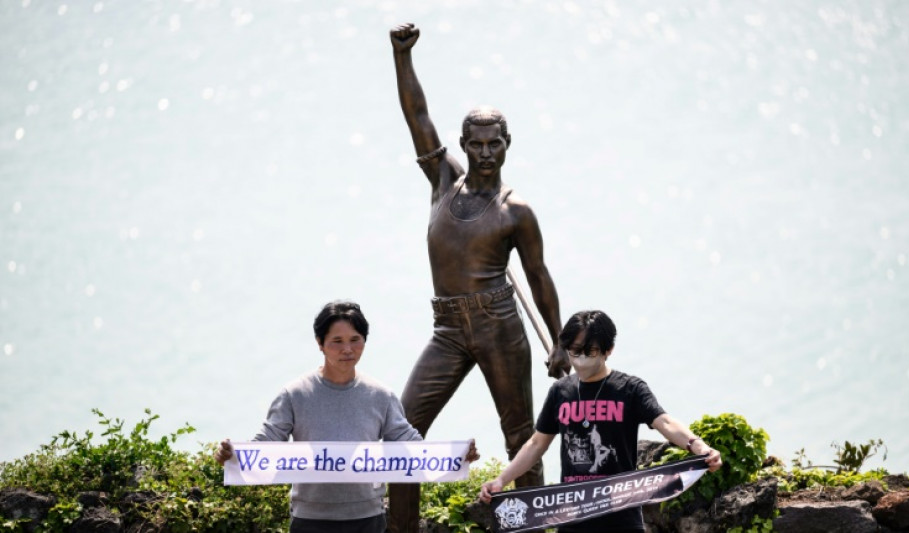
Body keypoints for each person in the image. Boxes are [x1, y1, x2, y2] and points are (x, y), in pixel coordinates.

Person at [387, 22, 570, 532]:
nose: (486, 153)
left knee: (521, 438)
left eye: (495, 144)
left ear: (507, 145)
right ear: (463, 145)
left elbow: (538, 276)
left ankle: (530, 527)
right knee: (402, 431)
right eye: (477, 144)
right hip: (447, 328)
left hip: (498, 325)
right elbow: (417, 116)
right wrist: (402, 57)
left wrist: (559, 341)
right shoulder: (443, 180)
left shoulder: (517, 211)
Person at [213, 300, 478, 533]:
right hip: (310, 519)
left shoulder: (381, 396)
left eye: (355, 340)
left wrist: (455, 458)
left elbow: (410, 445)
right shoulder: (294, 394)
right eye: (337, 341)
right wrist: (233, 456)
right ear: (320, 344)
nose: (347, 349)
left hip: (367, 518)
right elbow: (267, 443)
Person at [479, 310, 724, 533]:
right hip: (572, 519)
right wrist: (501, 480)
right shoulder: (560, 392)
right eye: (575, 351)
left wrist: (699, 447)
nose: (581, 359)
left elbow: (665, 422)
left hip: (621, 518)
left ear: (609, 350)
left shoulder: (629, 389)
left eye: (590, 351)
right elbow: (536, 444)